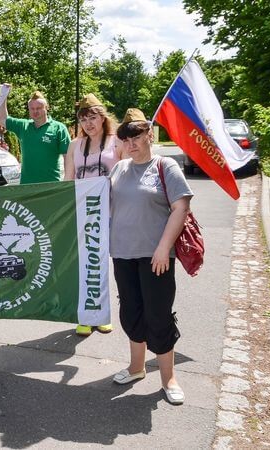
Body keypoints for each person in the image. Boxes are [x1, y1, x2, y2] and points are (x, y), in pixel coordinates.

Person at [109, 108, 193, 405]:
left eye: (136, 135)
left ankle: (168, 377)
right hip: (122, 254)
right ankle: (136, 367)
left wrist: (162, 248)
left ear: (149, 135)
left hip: (155, 255)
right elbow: (103, 207)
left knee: (158, 315)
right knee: (131, 312)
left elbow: (180, 208)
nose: (130, 142)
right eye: (125, 137)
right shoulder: (119, 169)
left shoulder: (165, 165)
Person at [64, 93, 122, 337]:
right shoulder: (74, 145)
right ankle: (85, 316)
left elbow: (126, 175)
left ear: (102, 118)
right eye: (83, 119)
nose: (88, 123)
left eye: (93, 118)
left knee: (103, 265)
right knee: (84, 266)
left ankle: (102, 315)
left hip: (110, 213)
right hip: (82, 214)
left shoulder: (116, 142)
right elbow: (68, 179)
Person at [0, 89, 71, 183]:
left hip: (51, 187)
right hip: (27, 187)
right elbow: (2, 119)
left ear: (46, 107)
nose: (35, 111)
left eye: (39, 108)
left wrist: (67, 183)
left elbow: (68, 157)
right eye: (32, 108)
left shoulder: (59, 128)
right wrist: (3, 95)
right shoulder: (23, 126)